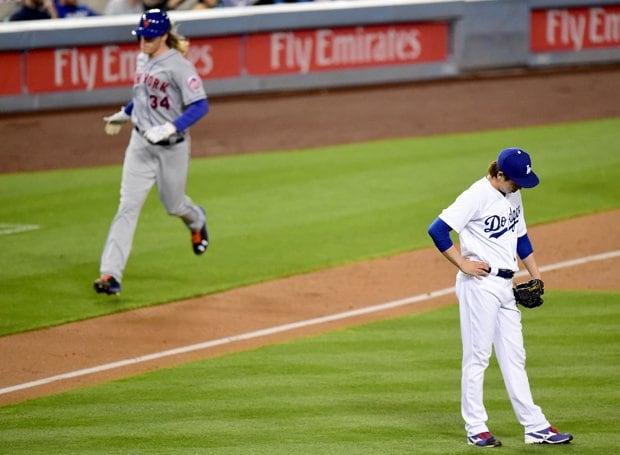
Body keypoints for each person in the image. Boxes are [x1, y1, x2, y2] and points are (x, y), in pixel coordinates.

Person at [427, 148, 573, 448]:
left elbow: (521, 236)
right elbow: (438, 230)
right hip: (479, 285)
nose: (519, 186)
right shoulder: (475, 196)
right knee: (478, 357)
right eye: (515, 181)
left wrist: (536, 274)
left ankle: (535, 427)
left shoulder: (512, 194)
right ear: (499, 174)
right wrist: (463, 264)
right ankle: (476, 427)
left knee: (514, 356)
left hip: (507, 286)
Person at [94, 8, 209, 296]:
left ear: (164, 36)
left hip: (172, 150)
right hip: (140, 146)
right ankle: (110, 275)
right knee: (127, 207)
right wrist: (125, 113)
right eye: (141, 36)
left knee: (174, 206)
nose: (143, 41)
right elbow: (141, 96)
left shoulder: (180, 67)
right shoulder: (142, 59)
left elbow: (200, 105)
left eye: (149, 36)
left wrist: (171, 127)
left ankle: (197, 220)